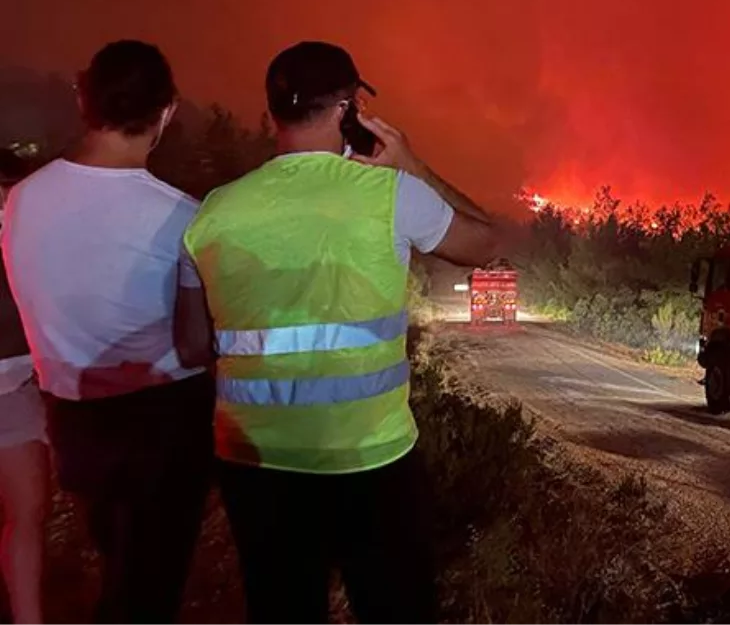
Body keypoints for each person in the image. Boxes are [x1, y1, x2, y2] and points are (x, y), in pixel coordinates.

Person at [174, 41, 497, 625]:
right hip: (370, 460)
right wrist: (413, 165)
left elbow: (193, 346)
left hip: (255, 465)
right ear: (349, 110)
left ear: (273, 111)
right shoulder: (391, 195)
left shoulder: (213, 212)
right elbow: (484, 243)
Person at [1, 41, 214, 625]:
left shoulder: (22, 200)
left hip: (72, 419)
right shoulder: (183, 217)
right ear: (167, 111)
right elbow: (197, 342)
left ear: (83, 98)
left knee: (120, 565)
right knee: (148, 588)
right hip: (160, 421)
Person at [0, 149, 47, 625]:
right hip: (10, 385)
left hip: (14, 385)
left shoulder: (22, 236)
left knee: (27, 513)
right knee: (26, 512)